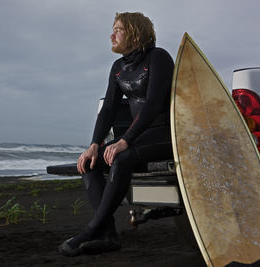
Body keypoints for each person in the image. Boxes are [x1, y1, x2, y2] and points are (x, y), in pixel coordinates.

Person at [59, 12, 174, 256]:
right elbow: (109, 109)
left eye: (118, 29)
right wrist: (94, 145)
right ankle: (108, 235)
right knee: (90, 163)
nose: (112, 35)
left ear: (135, 33)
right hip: (139, 135)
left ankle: (92, 230)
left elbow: (153, 104)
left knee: (122, 158)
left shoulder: (158, 58)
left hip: (166, 133)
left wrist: (124, 141)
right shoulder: (118, 67)